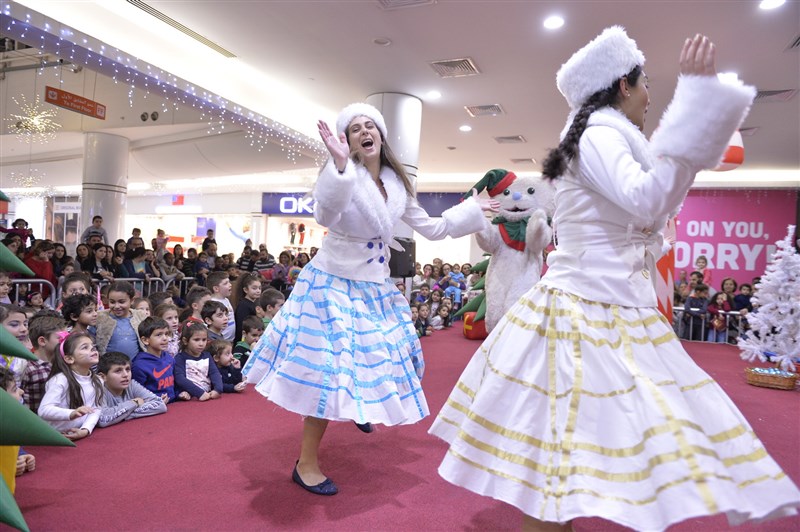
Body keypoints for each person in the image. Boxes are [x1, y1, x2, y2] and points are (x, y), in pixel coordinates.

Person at [429, 28, 799, 530]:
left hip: (611, 307)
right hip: (586, 309)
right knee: (553, 463)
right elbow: (647, 200)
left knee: (561, 460)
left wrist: (695, 128)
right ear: (624, 84)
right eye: (647, 84)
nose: (651, 97)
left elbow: (646, 214)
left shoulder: (602, 136)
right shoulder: (598, 134)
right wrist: (694, 115)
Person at [243, 102, 498, 496]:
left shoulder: (396, 185)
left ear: (380, 134)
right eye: (356, 128)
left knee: (399, 354)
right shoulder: (345, 176)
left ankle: (358, 403)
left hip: (374, 286)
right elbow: (326, 216)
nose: (366, 131)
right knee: (329, 374)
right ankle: (305, 464)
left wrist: (472, 210)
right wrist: (340, 168)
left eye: (371, 126)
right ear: (349, 142)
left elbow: (433, 228)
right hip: (332, 283)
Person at [38, 332, 103, 441]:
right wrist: (71, 413)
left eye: (93, 346)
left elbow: (96, 409)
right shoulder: (60, 380)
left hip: (78, 435)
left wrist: (85, 430)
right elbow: (44, 410)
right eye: (85, 347)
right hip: (54, 438)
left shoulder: (98, 380)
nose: (93, 349)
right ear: (69, 359)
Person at [97, 351, 167, 427]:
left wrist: (121, 416)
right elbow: (102, 419)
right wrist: (135, 402)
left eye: (127, 369)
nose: (125, 375)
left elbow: (160, 404)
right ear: (102, 377)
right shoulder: (99, 389)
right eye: (118, 371)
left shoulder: (131, 384)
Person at [21, 315, 65, 413]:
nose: (64, 342)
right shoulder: (27, 367)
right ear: (42, 341)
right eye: (60, 338)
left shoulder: (63, 363)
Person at [131, 316, 181, 403]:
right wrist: (155, 400)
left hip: (174, 404)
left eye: (166, 334)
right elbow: (136, 394)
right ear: (145, 340)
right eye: (159, 335)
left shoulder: (169, 358)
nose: (165, 338)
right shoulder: (139, 365)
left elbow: (175, 383)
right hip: (153, 408)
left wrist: (180, 393)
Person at [95, 281, 148, 361]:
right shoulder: (99, 318)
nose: (116, 306)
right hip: (108, 368)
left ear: (132, 300)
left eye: (121, 302)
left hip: (134, 367)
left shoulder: (140, 317)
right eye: (112, 302)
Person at [0, 367, 36, 477]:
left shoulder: (7, 420)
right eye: (15, 389)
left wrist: (22, 456)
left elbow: (11, 444)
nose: (22, 391)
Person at [174, 322, 222, 401]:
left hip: (207, 394)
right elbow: (180, 378)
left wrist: (218, 389)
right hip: (190, 395)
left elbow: (214, 373)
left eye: (204, 340)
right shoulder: (180, 358)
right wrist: (199, 393)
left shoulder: (207, 356)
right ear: (185, 341)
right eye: (196, 340)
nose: (201, 344)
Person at [232, 272, 261, 342]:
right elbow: (241, 327)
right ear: (245, 290)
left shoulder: (253, 303)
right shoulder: (243, 305)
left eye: (259, 288)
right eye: (254, 288)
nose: (258, 291)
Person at [207, 271, 235, 341]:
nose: (230, 285)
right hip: (219, 340)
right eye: (226, 283)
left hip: (230, 340)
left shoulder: (226, 300)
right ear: (216, 288)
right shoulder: (213, 302)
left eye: (229, 282)